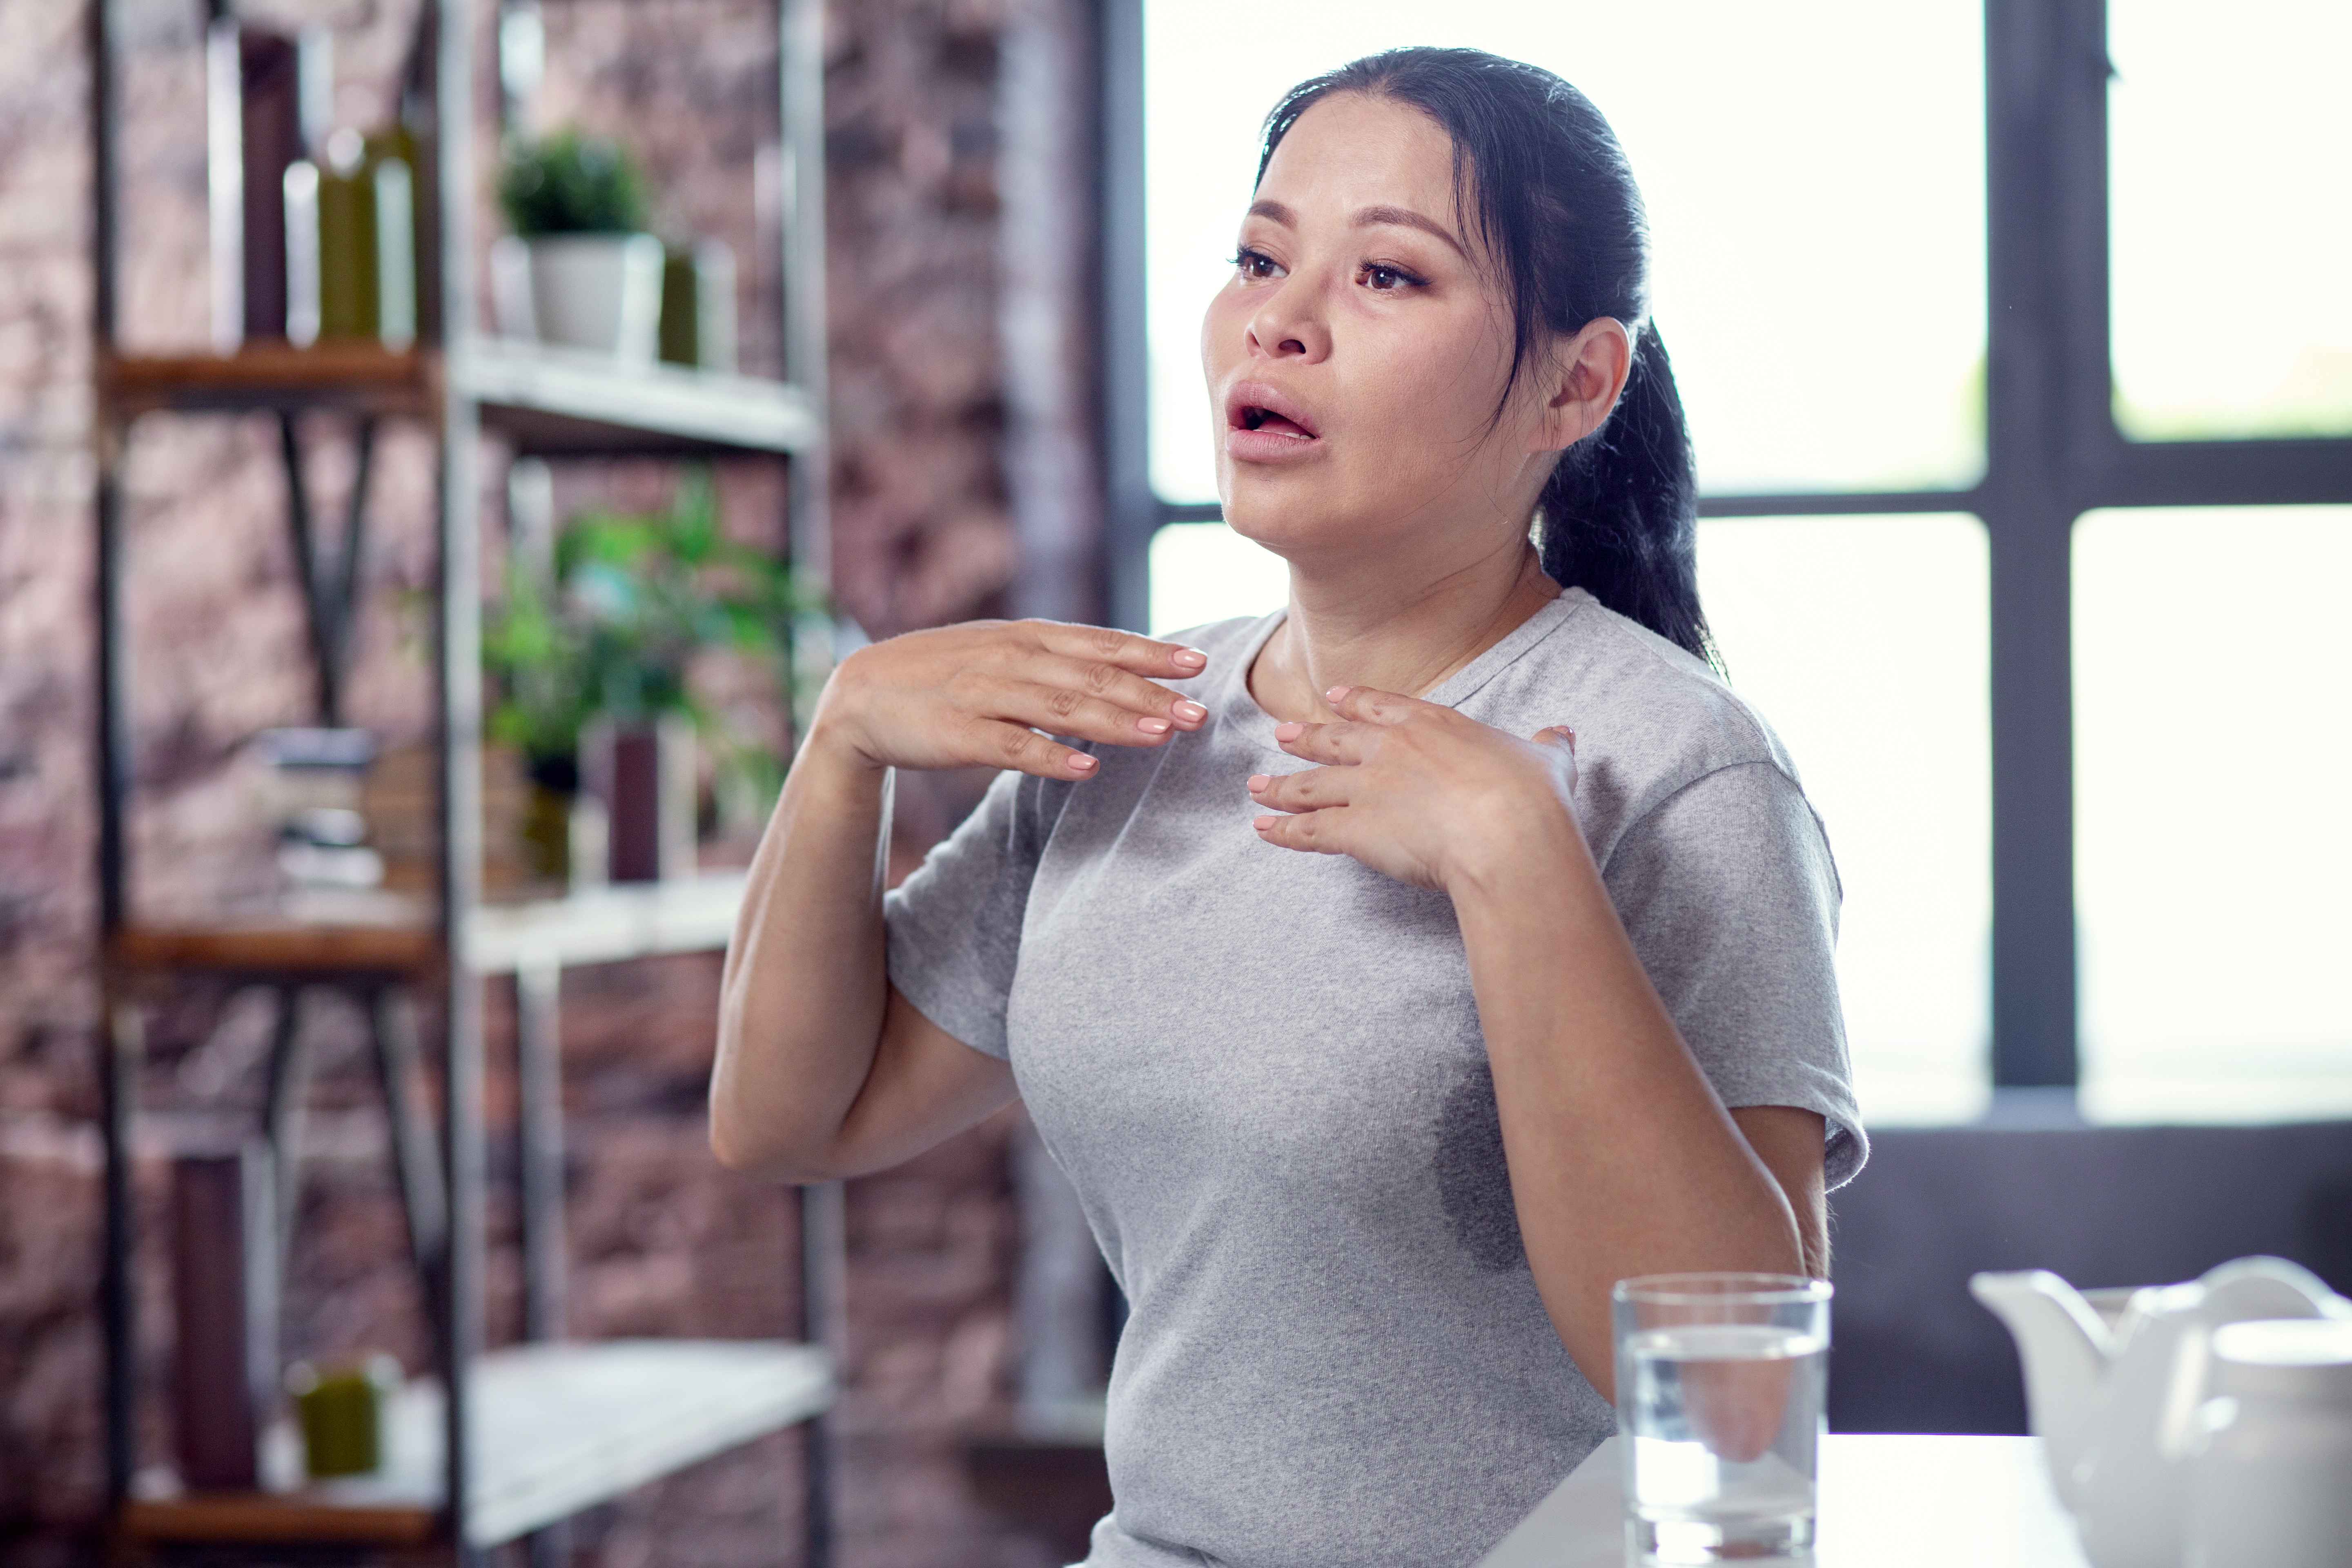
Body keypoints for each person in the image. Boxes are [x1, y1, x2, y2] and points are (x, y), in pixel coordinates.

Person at [712, 45, 1864, 1568]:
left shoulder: (1678, 770)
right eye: (1261, 255)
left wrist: (1517, 862)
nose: (1281, 319)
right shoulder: (1140, 721)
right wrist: (846, 739)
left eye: (1389, 277)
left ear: (1580, 383)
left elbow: (1729, 1404)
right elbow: (793, 1116)